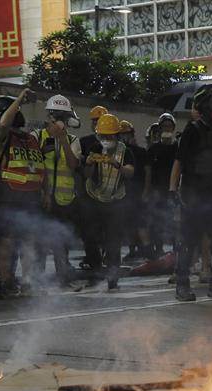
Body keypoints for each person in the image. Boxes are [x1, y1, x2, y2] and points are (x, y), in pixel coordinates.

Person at [169, 83, 212, 301]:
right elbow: (179, 162)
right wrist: (173, 190)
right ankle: (182, 285)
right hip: (194, 195)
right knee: (188, 241)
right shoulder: (193, 130)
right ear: (206, 108)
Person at [0, 90, 46, 297]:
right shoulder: (2, 135)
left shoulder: (30, 138)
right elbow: (4, 124)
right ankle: (6, 283)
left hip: (30, 198)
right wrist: (19, 99)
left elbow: (40, 169)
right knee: (7, 241)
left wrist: (45, 194)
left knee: (29, 241)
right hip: (8, 197)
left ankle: (28, 282)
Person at [82, 114, 135, 290]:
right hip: (95, 198)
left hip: (115, 200)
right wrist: (89, 163)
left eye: (109, 136)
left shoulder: (124, 151)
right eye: (103, 136)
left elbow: (130, 172)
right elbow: (87, 175)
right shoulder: (95, 147)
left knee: (113, 241)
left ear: (117, 135)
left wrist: (116, 164)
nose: (106, 140)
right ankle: (97, 272)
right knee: (90, 237)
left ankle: (112, 276)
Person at [38, 94, 81, 287]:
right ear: (49, 116)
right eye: (57, 115)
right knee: (39, 239)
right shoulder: (37, 137)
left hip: (65, 199)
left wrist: (62, 138)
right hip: (42, 198)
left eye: (64, 116)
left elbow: (73, 164)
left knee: (61, 240)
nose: (60, 120)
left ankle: (63, 276)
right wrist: (44, 192)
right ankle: (36, 280)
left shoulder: (72, 139)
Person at [70, 105, 110, 272]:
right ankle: (94, 261)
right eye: (94, 120)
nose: (96, 123)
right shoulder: (84, 141)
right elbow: (78, 165)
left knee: (107, 228)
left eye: (99, 120)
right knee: (89, 229)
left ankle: (106, 258)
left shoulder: (115, 142)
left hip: (109, 192)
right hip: (88, 193)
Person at [118, 119, 153, 260]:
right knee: (129, 223)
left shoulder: (140, 152)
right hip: (124, 192)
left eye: (127, 134)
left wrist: (146, 191)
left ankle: (148, 250)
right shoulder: (120, 152)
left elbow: (148, 172)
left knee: (140, 222)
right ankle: (133, 250)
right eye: (122, 135)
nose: (124, 137)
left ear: (132, 134)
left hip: (137, 192)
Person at [146, 113, 178, 258]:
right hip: (157, 190)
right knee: (156, 220)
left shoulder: (178, 148)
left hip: (173, 190)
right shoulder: (153, 149)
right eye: (164, 126)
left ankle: (176, 250)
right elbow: (148, 171)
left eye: (169, 126)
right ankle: (157, 248)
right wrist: (148, 190)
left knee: (174, 220)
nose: (167, 129)